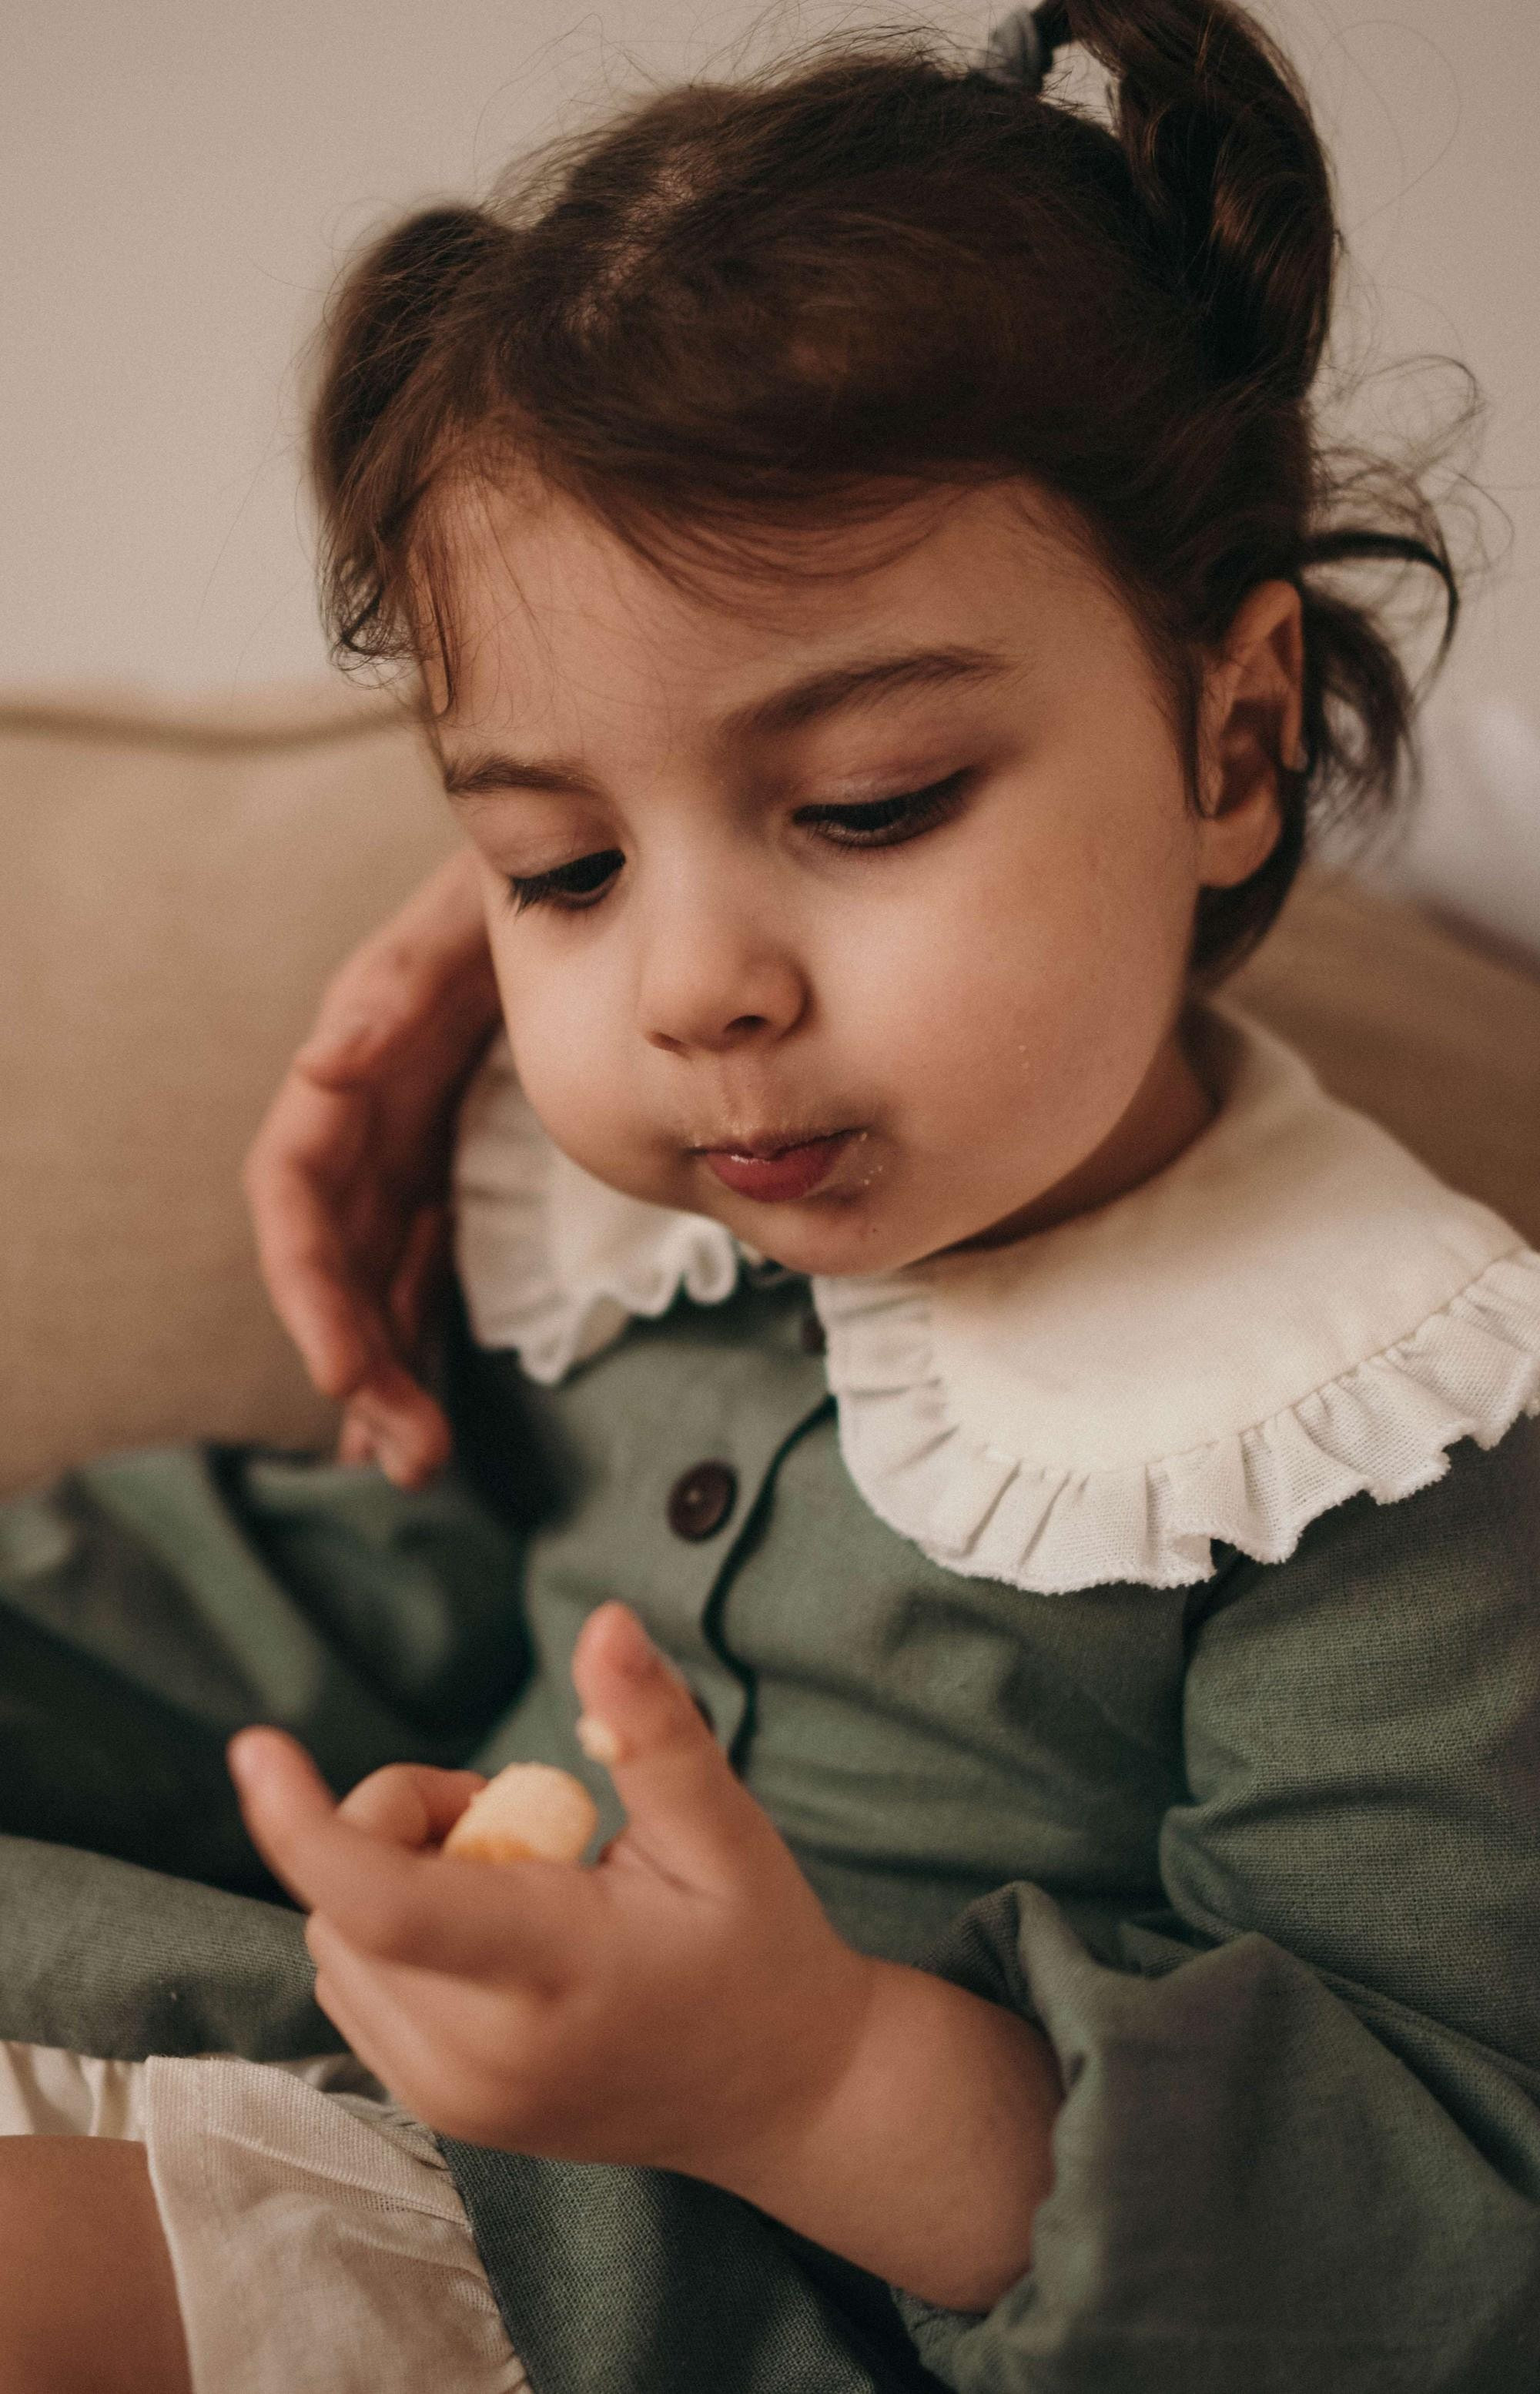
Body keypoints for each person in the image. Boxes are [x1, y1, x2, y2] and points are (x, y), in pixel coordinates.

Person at [2, 2, 1538, 2387]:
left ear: (1236, 747)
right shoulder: (680, 1249)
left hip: (690, 2299)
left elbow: (1440, 2228)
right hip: (339, 2075)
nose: (697, 982)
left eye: (874, 803)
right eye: (566, 862)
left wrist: (813, 2079)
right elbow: (411, 1598)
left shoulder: (1368, 1427)